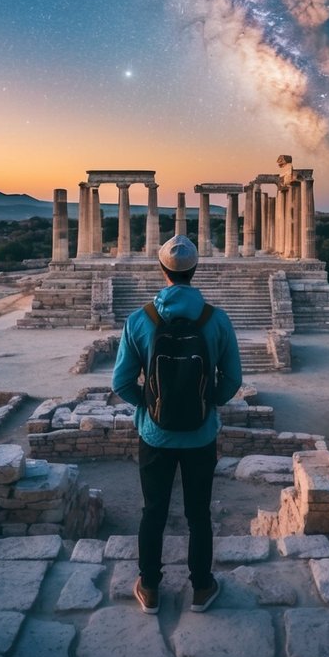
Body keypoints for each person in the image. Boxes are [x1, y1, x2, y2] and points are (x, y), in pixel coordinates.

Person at [112, 234, 242, 615]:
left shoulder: (140, 320)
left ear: (162, 270)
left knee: (153, 511)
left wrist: (150, 406)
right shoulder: (216, 320)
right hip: (201, 435)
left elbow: (121, 383)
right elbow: (232, 380)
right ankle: (201, 587)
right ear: (195, 270)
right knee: (198, 514)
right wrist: (208, 404)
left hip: (155, 434)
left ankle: (149, 587)